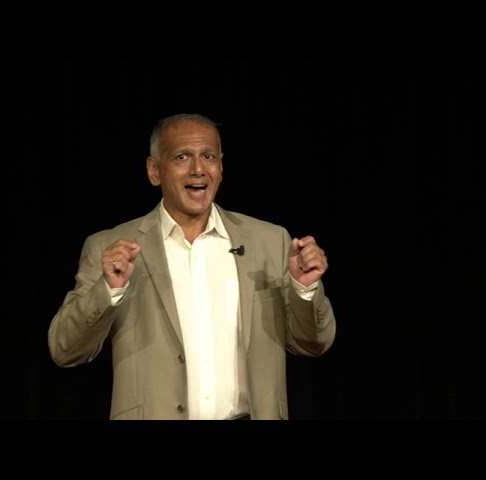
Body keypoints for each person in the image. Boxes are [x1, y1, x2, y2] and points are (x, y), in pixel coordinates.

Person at [48, 113, 336, 420]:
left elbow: (313, 343)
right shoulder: (110, 246)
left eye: (208, 156)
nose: (198, 169)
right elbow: (65, 350)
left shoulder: (270, 241)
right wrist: (109, 291)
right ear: (154, 171)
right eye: (182, 157)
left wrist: (305, 289)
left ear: (221, 167)